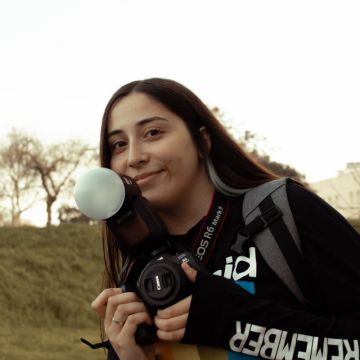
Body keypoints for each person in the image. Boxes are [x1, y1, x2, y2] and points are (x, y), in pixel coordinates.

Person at [90, 78, 360, 360]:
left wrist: (240, 323)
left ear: (202, 141)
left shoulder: (283, 211)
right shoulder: (137, 273)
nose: (133, 157)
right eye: (119, 144)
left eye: (153, 132)